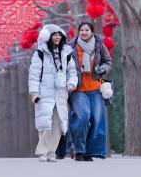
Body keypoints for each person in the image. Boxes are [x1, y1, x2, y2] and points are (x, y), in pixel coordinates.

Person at [29, 24, 78, 162]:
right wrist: (34, 92)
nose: (57, 37)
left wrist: (71, 83)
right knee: (45, 123)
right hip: (44, 93)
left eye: (59, 35)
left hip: (61, 93)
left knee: (59, 125)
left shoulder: (66, 53)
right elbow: (34, 75)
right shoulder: (39, 53)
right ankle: (42, 152)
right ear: (47, 37)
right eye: (54, 34)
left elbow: (72, 71)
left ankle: (51, 152)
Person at [68, 21, 112, 161]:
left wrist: (103, 68)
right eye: (82, 30)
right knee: (82, 117)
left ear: (92, 32)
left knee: (97, 119)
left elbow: (108, 61)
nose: (84, 32)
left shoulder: (99, 45)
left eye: (87, 30)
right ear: (78, 32)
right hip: (78, 89)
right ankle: (79, 149)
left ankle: (90, 152)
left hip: (95, 88)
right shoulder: (71, 47)